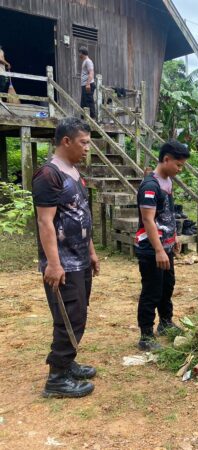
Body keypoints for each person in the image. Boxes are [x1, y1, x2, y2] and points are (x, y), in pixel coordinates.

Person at [32, 117, 100, 398]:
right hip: (63, 264)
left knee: (78, 314)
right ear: (66, 141)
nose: (87, 148)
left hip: (81, 260)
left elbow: (81, 214)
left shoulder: (73, 172)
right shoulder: (49, 175)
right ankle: (57, 378)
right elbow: (45, 223)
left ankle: (68, 363)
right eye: (83, 142)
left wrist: (92, 252)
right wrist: (54, 264)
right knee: (68, 318)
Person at [134, 140, 190, 350]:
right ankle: (146, 335)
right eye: (178, 164)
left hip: (165, 247)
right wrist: (158, 249)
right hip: (151, 249)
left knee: (167, 286)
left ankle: (165, 323)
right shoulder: (150, 186)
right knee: (152, 290)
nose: (179, 169)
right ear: (166, 159)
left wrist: (173, 237)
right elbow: (148, 220)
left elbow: (167, 214)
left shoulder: (167, 182)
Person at [78, 47, 96, 119]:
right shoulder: (85, 61)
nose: (79, 55)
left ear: (82, 53)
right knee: (83, 104)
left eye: (79, 53)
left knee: (89, 102)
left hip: (88, 84)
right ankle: (83, 119)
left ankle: (92, 119)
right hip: (84, 85)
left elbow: (91, 73)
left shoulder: (88, 61)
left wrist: (88, 84)